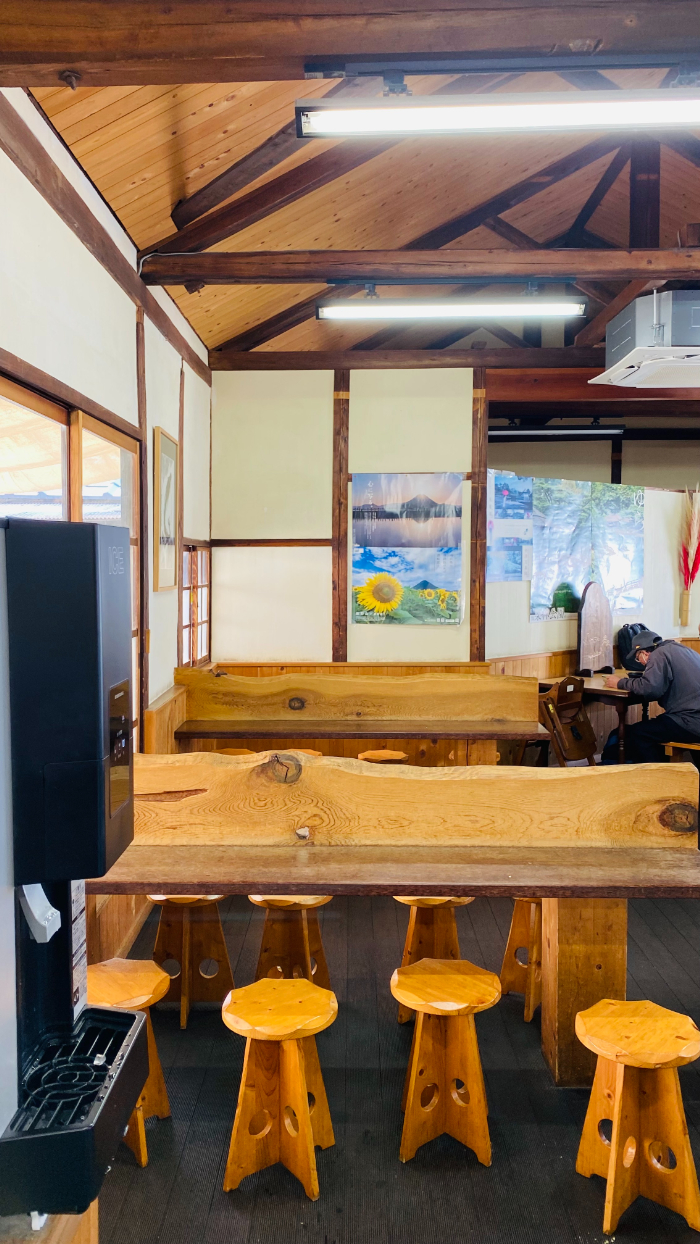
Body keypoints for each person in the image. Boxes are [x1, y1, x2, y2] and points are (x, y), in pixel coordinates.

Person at [602, 631, 700, 762]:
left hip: (690, 721)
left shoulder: (658, 654)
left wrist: (619, 683)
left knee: (639, 733)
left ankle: (657, 772)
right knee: (654, 728)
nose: (641, 663)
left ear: (644, 653)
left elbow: (649, 688)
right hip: (694, 718)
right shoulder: (683, 650)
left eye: (638, 658)